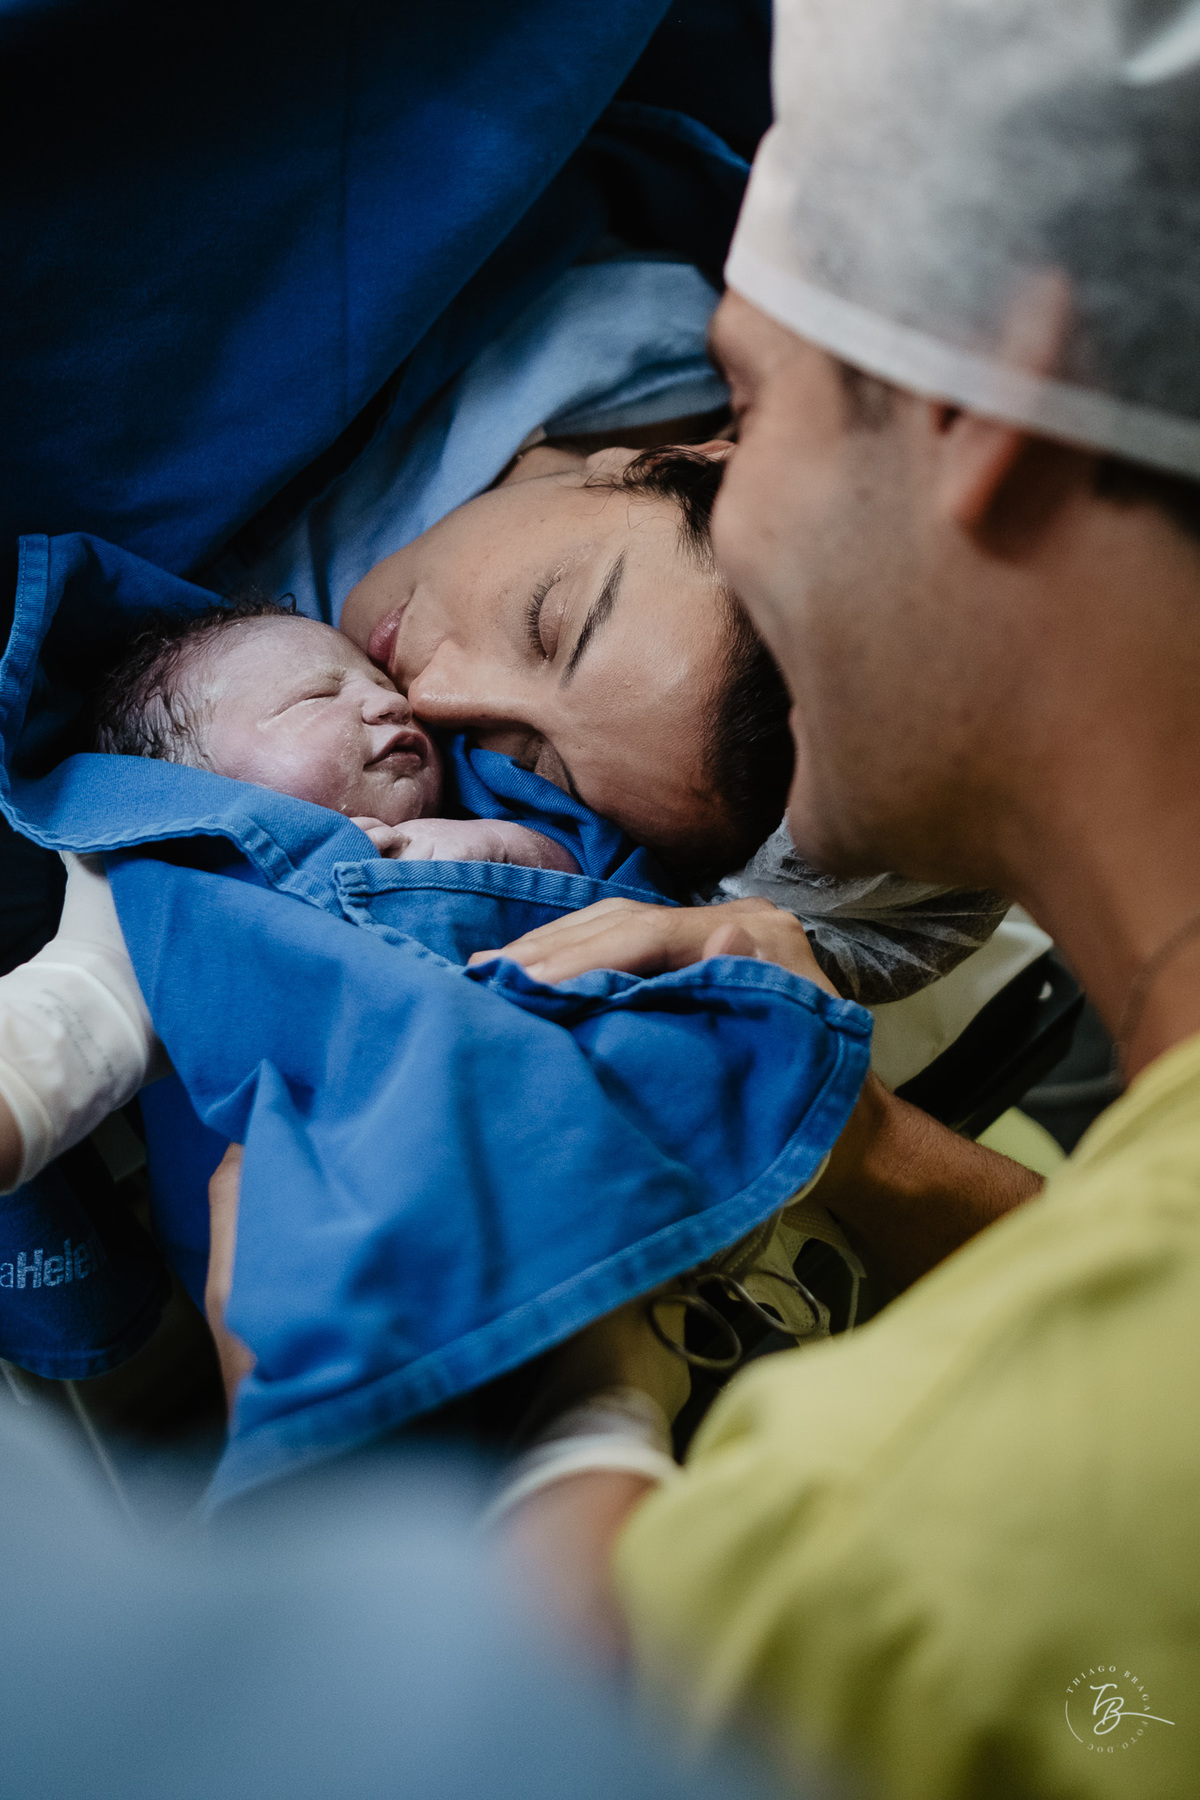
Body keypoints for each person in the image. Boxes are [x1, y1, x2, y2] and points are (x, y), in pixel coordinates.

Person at [489, 2, 1200, 1796]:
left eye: (751, 401)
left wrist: (551, 1411)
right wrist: (857, 1141)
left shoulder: (898, 1542)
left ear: (979, 395)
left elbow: (545, 1722)